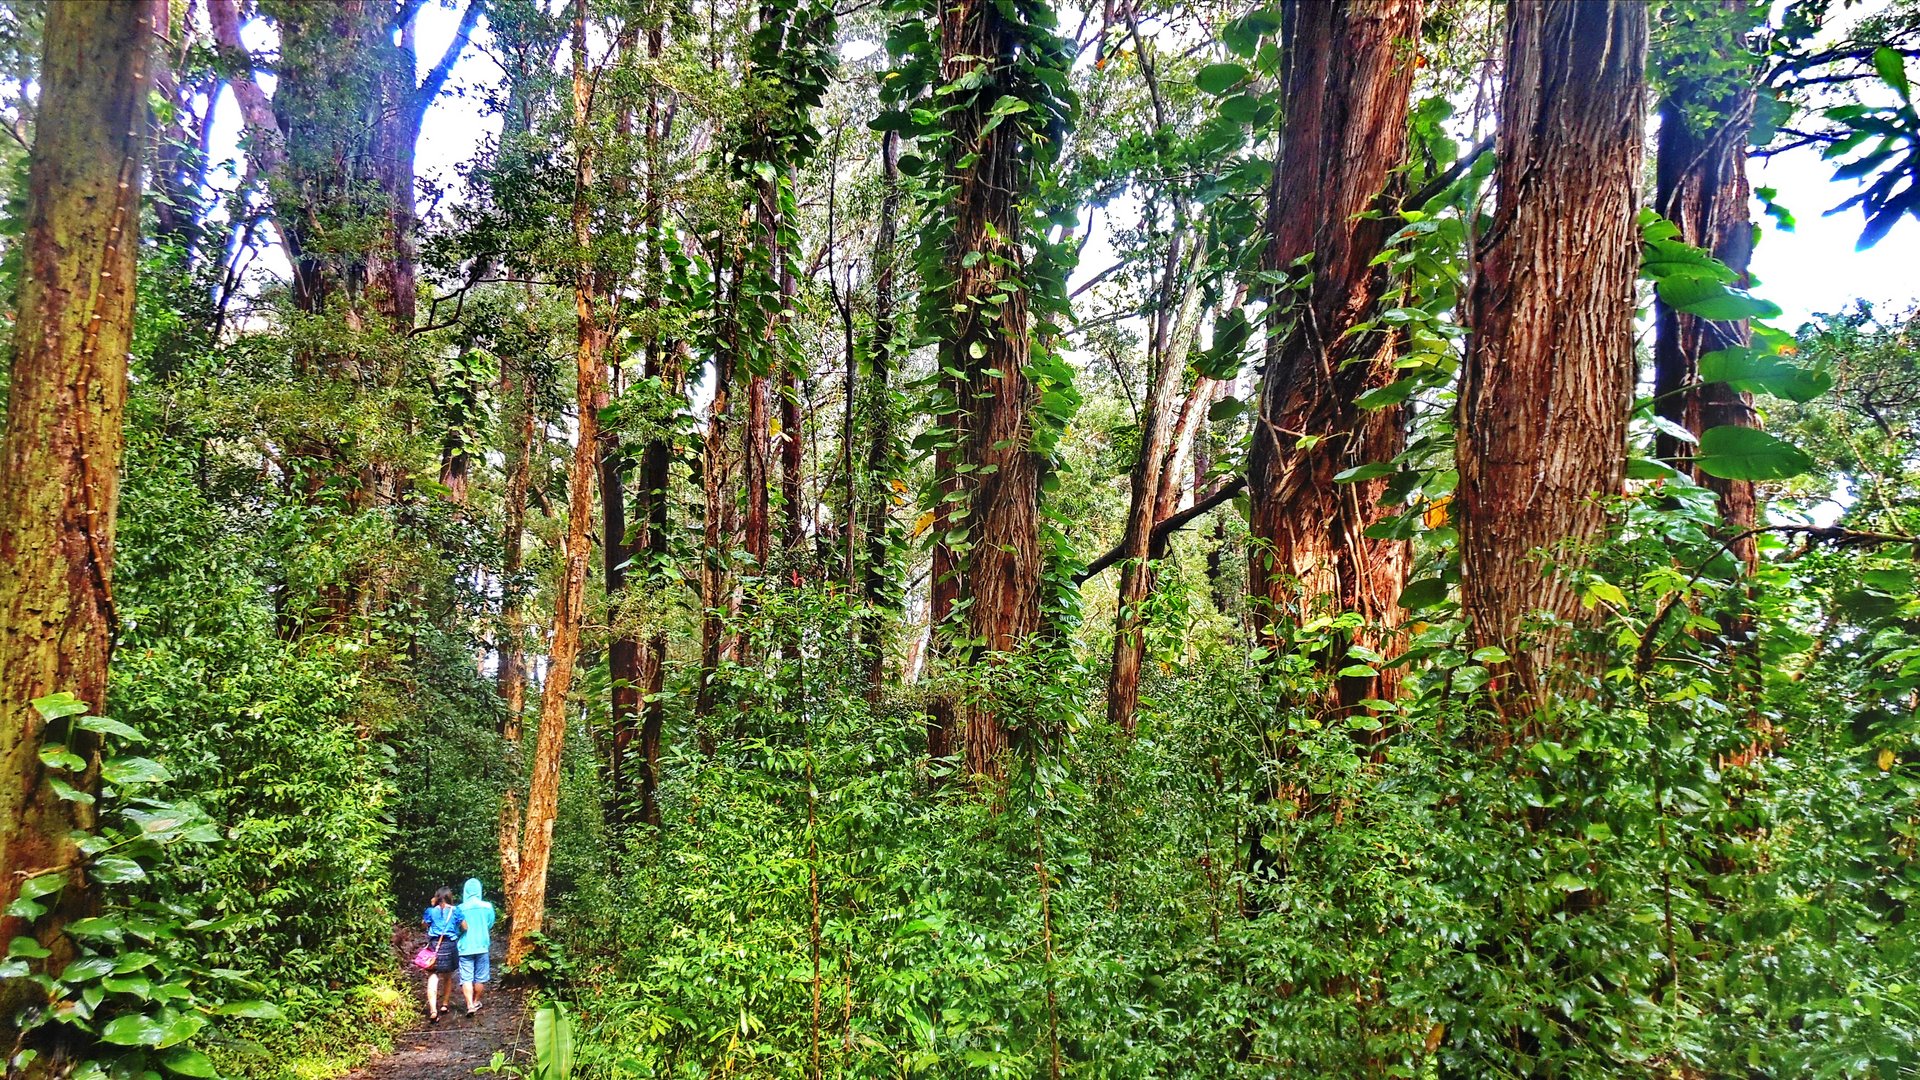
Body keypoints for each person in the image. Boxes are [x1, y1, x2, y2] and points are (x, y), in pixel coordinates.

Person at [421, 886, 465, 1022]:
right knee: (447, 977)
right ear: (449, 896)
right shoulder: (456, 910)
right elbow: (465, 927)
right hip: (450, 945)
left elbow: (424, 925)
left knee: (432, 977)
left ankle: (433, 1010)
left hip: (435, 945)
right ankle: (445, 1004)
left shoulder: (430, 911)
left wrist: (432, 906)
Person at [455, 877, 496, 1017]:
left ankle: (469, 1005)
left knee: (466, 977)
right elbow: (490, 924)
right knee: (480, 977)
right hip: (482, 945)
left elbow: (458, 928)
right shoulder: (488, 906)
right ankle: (476, 1001)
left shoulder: (460, 908)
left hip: (465, 946)